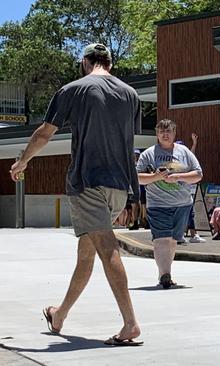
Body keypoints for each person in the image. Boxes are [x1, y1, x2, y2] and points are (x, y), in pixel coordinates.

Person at [9, 43, 143, 345]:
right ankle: (60, 314)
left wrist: (23, 161)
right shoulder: (130, 94)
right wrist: (133, 196)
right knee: (86, 254)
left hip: (88, 182)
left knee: (107, 249)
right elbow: (126, 143)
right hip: (119, 186)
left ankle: (130, 324)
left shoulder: (74, 89)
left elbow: (44, 133)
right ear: (110, 62)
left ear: (84, 62)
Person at [137, 119, 203, 288]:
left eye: (169, 131)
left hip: (182, 204)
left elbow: (198, 175)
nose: (165, 135)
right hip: (157, 204)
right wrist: (157, 177)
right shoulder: (148, 154)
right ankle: (165, 275)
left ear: (174, 134)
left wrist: (178, 177)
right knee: (161, 239)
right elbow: (137, 177)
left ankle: (164, 271)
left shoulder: (185, 152)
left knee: (173, 240)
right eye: (161, 132)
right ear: (157, 134)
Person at [176, 134, 205, 244]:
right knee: (187, 212)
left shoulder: (182, 161)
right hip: (181, 192)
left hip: (182, 191)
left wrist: (194, 143)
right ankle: (191, 234)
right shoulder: (181, 162)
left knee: (185, 213)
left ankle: (184, 234)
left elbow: (191, 154)